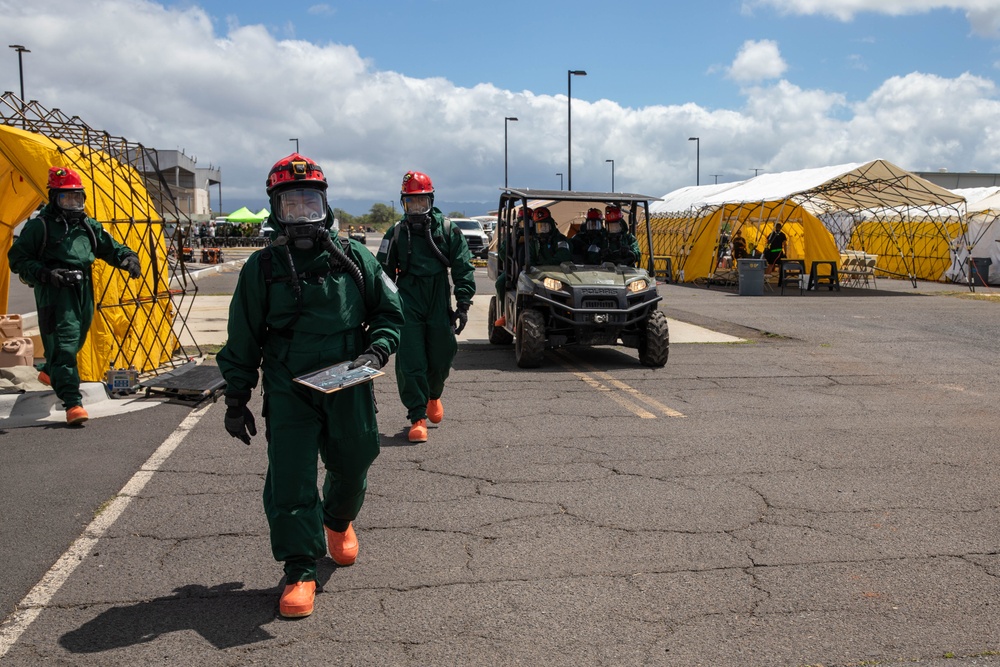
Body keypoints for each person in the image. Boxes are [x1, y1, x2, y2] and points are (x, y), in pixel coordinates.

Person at [216, 153, 404, 619]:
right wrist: (237, 396)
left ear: (325, 205)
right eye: (289, 206)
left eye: (309, 204)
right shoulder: (261, 268)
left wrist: (377, 349)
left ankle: (338, 520)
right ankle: (300, 569)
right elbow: (242, 335)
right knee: (291, 475)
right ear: (275, 210)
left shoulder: (355, 257)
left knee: (357, 455)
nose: (301, 216)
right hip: (288, 381)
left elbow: (388, 312)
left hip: (348, 377)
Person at [7, 166, 142, 425]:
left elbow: (109, 246)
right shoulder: (40, 227)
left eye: (77, 197)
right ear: (53, 198)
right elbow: (18, 258)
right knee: (66, 344)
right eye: (65, 198)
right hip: (55, 291)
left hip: (83, 287)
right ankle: (72, 403)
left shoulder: (87, 226)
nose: (72, 203)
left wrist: (127, 257)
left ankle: (49, 370)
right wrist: (46, 274)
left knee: (77, 337)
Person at [377, 171, 475, 444]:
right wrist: (385, 305)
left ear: (431, 201)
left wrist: (464, 302)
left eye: (421, 203)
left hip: (437, 297)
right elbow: (381, 273)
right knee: (411, 359)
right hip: (408, 299)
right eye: (411, 204)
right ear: (403, 204)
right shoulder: (395, 233)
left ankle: (434, 394)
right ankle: (417, 416)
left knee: (443, 352)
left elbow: (463, 265)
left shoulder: (446, 230)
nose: (416, 210)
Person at [492, 206, 531, 328]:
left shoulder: (538, 236)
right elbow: (503, 254)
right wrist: (514, 241)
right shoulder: (511, 236)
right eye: (523, 221)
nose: (525, 225)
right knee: (501, 282)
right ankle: (505, 314)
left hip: (533, 271)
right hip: (514, 270)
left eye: (528, 222)